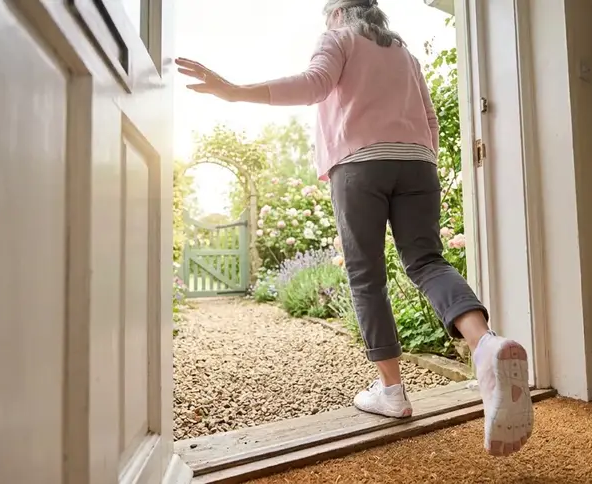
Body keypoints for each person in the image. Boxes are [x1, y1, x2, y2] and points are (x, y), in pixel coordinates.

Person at [176, 0, 533, 457]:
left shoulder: (338, 38)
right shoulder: (404, 52)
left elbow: (313, 84)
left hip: (360, 164)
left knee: (366, 275)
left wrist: (235, 91)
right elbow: (430, 119)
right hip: (417, 164)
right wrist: (421, 161)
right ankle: (484, 344)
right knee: (426, 260)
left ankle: (392, 392)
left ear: (339, 13)